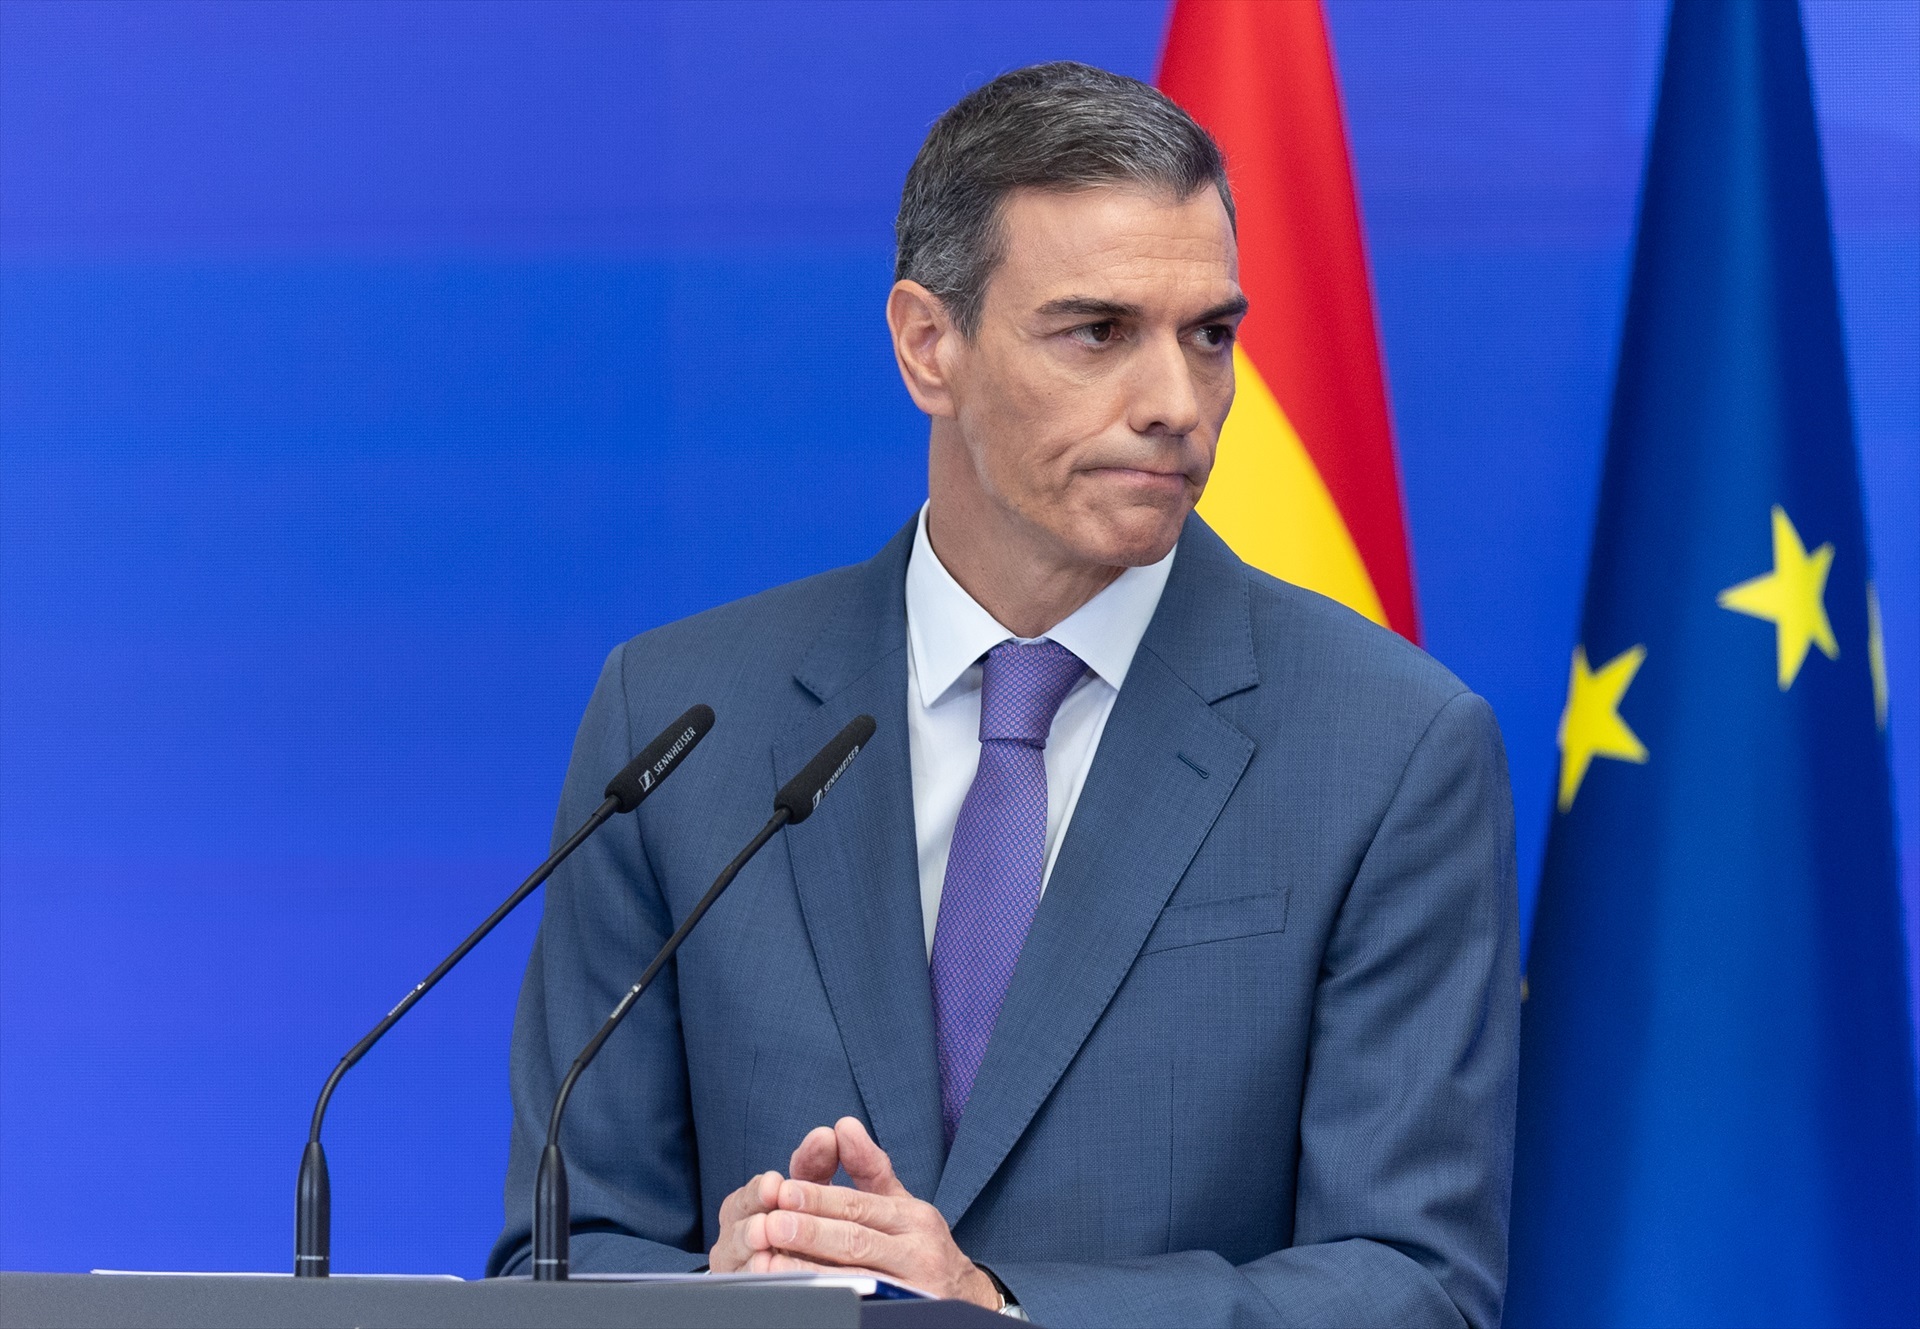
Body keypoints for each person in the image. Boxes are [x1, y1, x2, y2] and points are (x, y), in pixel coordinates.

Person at [488, 62, 1518, 1328]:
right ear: (930, 345)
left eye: (1209, 336)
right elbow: (565, 1254)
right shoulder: (679, 722)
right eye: (1098, 333)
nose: (1177, 405)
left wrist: (994, 1306)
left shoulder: (1392, 748)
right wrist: (726, 1300)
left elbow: (1414, 1287)